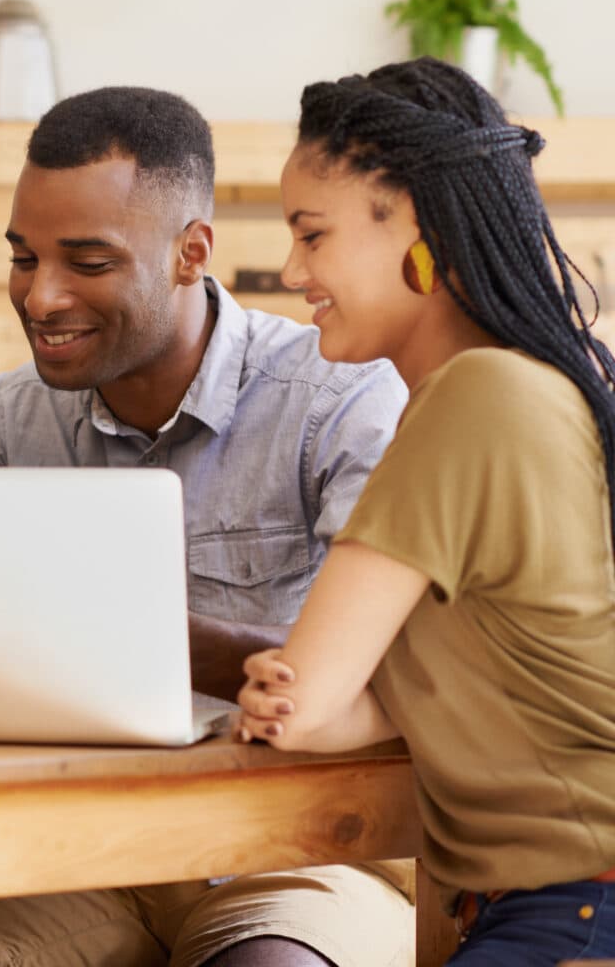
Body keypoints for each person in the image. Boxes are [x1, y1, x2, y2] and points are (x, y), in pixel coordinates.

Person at [0, 86, 412, 967]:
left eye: (88, 262)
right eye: (24, 257)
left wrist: (137, 640)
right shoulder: (16, 417)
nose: (41, 296)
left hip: (298, 853)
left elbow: (380, 677)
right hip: (79, 859)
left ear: (191, 252)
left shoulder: (339, 401)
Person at [236, 58, 615, 964]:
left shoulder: (477, 396)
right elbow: (354, 710)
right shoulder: (535, 385)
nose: (292, 270)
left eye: (312, 235)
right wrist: (289, 696)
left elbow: (315, 692)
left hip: (579, 908)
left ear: (415, 227)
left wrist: (296, 689)